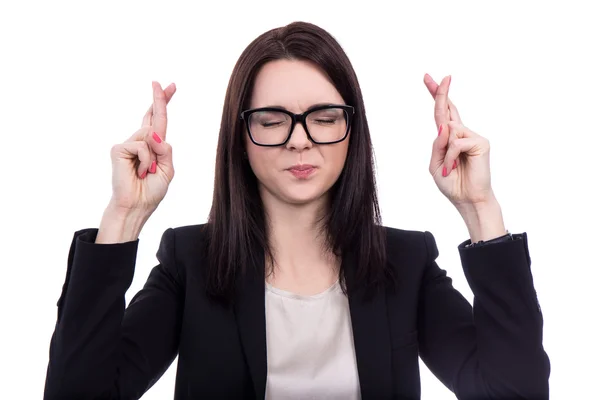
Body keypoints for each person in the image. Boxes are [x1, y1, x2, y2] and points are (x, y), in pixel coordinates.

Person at [43, 21, 550, 400]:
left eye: (324, 117)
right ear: (240, 137)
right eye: (272, 120)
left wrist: (479, 208)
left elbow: (515, 393)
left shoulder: (405, 261)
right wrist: (123, 218)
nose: (300, 141)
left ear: (353, 131)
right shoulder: (190, 260)